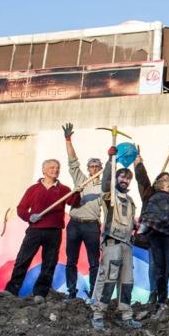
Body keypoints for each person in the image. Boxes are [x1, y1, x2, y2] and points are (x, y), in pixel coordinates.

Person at [0, 160, 80, 301]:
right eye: (52, 167)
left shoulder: (64, 190)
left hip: (54, 231)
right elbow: (21, 209)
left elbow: (74, 202)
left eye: (57, 168)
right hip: (34, 230)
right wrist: (29, 216)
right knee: (23, 259)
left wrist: (77, 192)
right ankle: (12, 290)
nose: (55, 170)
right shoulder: (33, 189)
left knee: (49, 263)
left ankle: (40, 293)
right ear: (44, 171)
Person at [90, 149, 142, 330]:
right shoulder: (109, 195)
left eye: (127, 178)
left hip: (127, 244)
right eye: (121, 176)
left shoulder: (131, 201)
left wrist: (136, 226)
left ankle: (126, 315)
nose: (124, 180)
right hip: (112, 243)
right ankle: (98, 314)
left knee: (127, 280)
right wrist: (110, 161)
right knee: (108, 278)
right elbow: (105, 183)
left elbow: (129, 222)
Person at [61, 123, 103, 301]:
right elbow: (73, 162)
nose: (93, 168)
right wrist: (68, 140)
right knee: (71, 260)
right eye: (91, 166)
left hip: (92, 226)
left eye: (96, 166)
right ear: (88, 169)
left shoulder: (105, 186)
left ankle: (93, 293)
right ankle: (71, 292)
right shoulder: (81, 180)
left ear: (100, 169)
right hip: (75, 224)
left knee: (94, 262)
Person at [140, 177, 169, 320]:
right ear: (163, 188)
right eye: (168, 186)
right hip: (164, 237)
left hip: (157, 236)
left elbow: (148, 217)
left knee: (162, 271)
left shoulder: (153, 199)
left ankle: (165, 303)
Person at [132, 150, 169, 304]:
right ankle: (153, 293)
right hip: (153, 235)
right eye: (162, 180)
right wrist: (138, 164)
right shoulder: (149, 194)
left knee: (168, 265)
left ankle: (164, 294)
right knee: (154, 265)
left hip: (168, 235)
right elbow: (142, 179)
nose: (165, 182)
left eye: (167, 180)